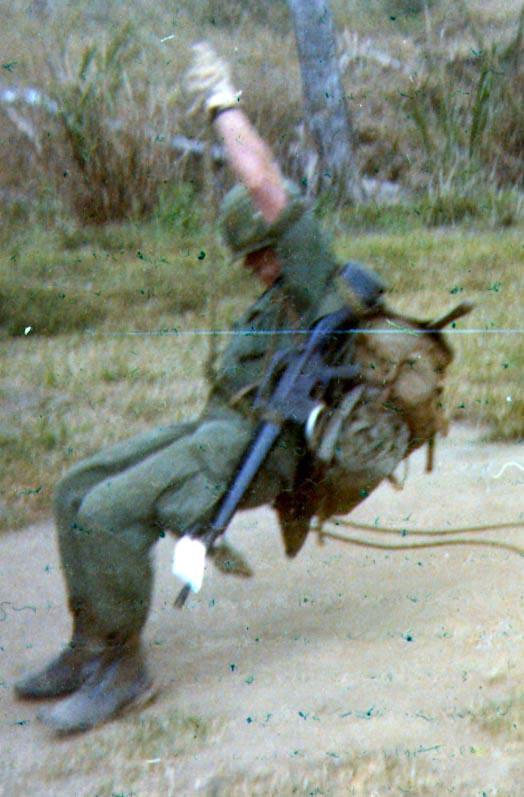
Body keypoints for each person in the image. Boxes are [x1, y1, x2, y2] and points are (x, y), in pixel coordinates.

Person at [14, 42, 385, 733]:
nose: (253, 265)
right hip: (222, 425)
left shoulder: (313, 276)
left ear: (275, 240)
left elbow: (264, 180)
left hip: (257, 447)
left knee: (109, 512)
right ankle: (89, 645)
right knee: (75, 490)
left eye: (256, 251)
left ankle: (123, 671)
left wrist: (221, 99)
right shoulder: (274, 289)